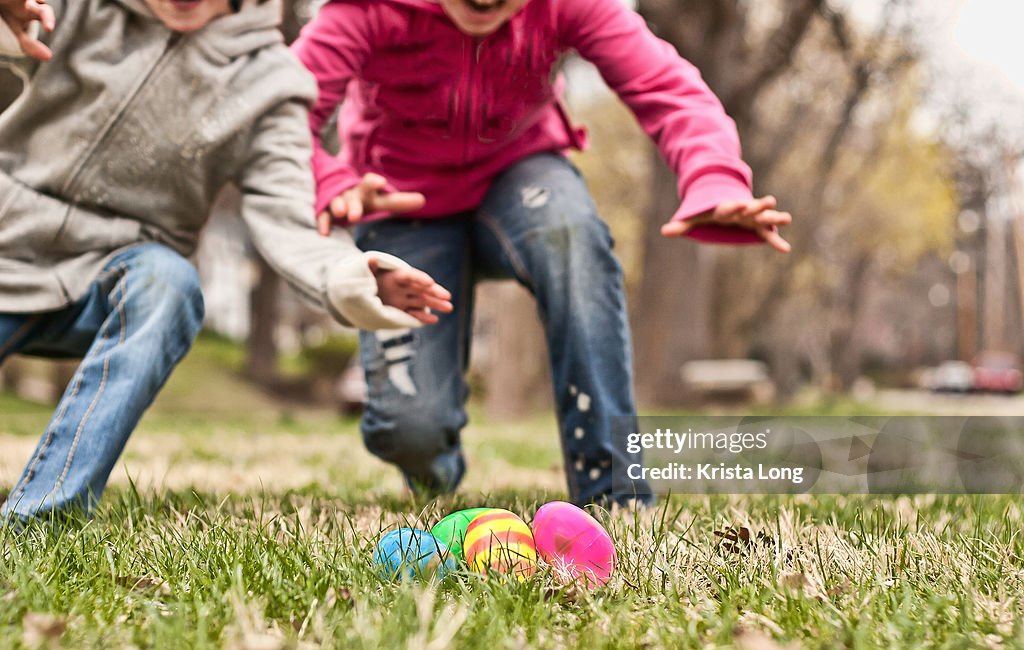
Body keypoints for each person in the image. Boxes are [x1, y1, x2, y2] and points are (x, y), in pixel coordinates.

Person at [292, 0, 792, 507]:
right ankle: (430, 464)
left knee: (572, 237)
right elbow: (285, 114)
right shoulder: (367, 10)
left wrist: (713, 174)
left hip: (520, 174)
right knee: (411, 426)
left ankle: (612, 489)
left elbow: (666, 85)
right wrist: (331, 180)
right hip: (400, 197)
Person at [0, 0, 453, 525]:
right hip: (9, 248)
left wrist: (348, 275)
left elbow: (286, 214)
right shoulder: (78, 9)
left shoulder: (269, 82)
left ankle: (42, 512)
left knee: (170, 281)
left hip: (113, 277)